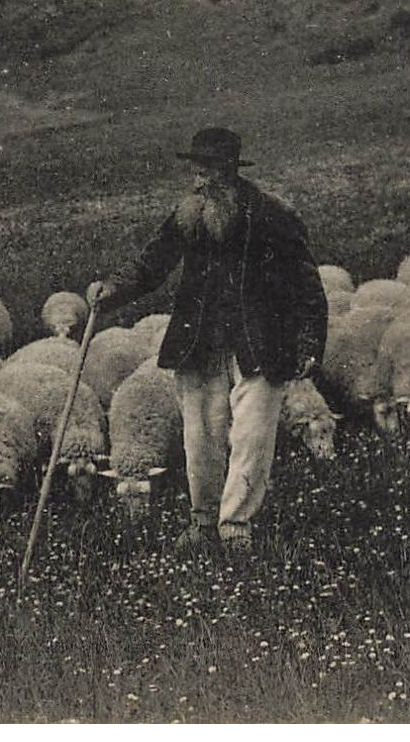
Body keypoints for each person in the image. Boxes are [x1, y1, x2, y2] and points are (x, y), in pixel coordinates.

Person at [87, 126, 327, 558]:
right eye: (195, 171)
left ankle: (235, 527)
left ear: (229, 171)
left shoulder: (271, 215)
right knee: (200, 438)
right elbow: (152, 263)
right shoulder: (188, 215)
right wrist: (112, 291)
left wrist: (309, 339)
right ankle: (203, 521)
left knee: (252, 436)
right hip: (199, 341)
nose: (199, 180)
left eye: (208, 171)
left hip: (261, 343)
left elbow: (306, 281)